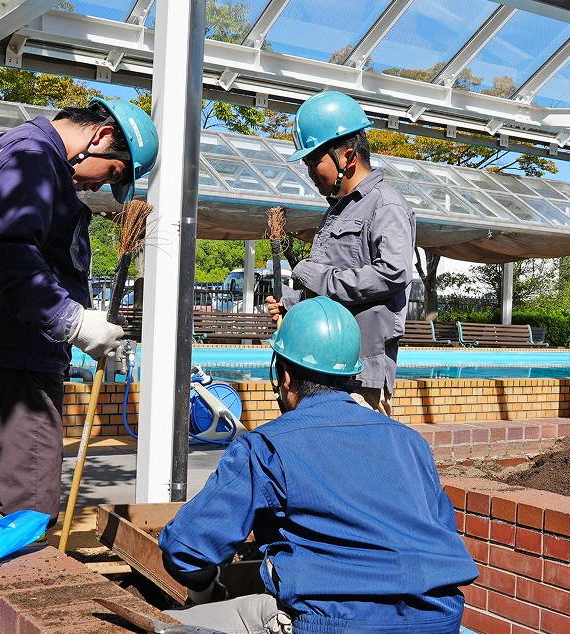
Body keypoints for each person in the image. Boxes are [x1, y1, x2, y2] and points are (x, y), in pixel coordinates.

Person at [159, 296, 478, 634]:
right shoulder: (411, 443)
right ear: (352, 375)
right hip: (439, 620)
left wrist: (206, 591)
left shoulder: (266, 446)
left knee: (166, 625)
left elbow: (185, 549)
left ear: (284, 376)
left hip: (332, 623)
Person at [0, 99, 159, 521]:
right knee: (23, 516)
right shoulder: (37, 160)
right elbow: (7, 253)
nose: (96, 189)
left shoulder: (1, 151)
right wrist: (72, 321)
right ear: (103, 137)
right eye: (113, 174)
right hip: (15, 371)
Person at [265, 91, 415, 415]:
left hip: (358, 375)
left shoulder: (385, 205)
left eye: (313, 161)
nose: (309, 173)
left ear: (347, 157)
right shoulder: (335, 213)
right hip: (319, 372)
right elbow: (332, 294)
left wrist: (317, 277)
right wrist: (294, 304)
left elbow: (394, 273)